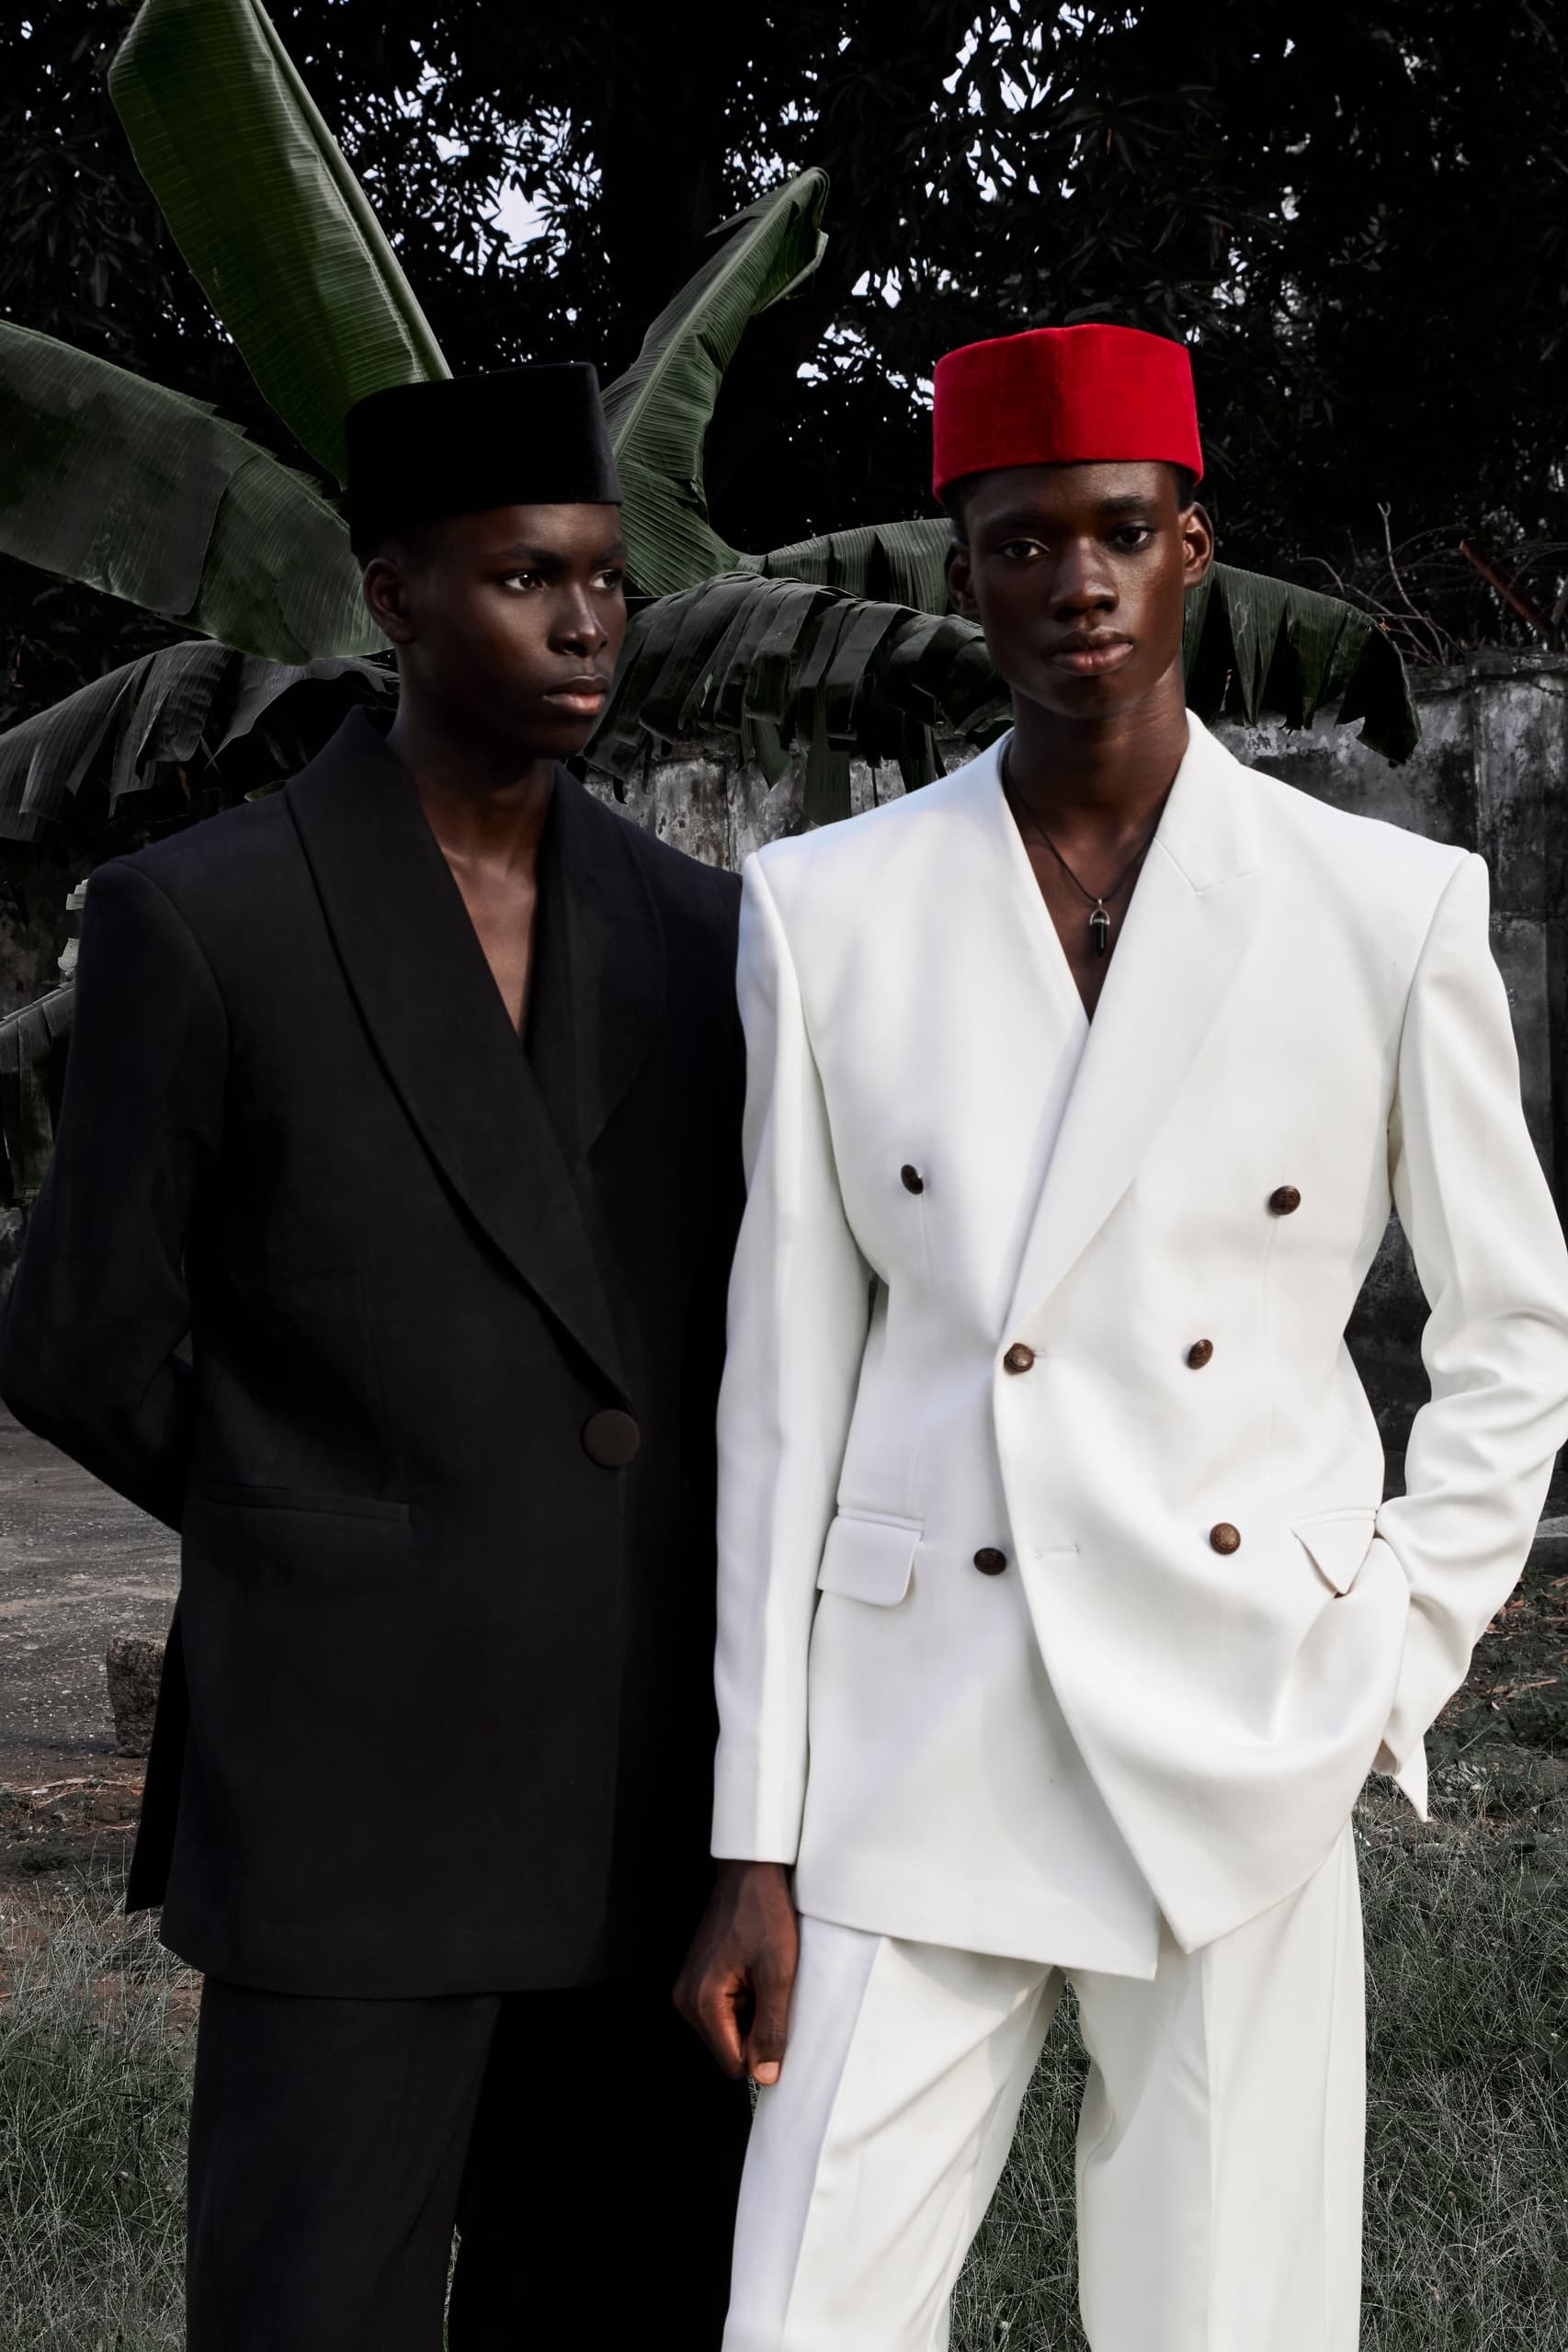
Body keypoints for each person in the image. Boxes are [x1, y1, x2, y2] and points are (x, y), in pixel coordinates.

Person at [676, 323, 1568, 2351]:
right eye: (1019, 539)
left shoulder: (1380, 904)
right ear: (959, 569)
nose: (1072, 578)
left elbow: (1514, 1328)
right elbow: (780, 1390)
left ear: (1191, 551)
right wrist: (755, 1827)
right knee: (802, 2311)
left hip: (1242, 1704)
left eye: (1117, 531)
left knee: (1225, 2317)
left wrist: (1386, 1639)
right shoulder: (825, 909)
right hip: (918, 1726)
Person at [0, 364, 750, 2350]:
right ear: (392, 594)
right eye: (525, 578)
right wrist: (330, 1515)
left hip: (641, 1788)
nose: (585, 620)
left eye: (605, 578)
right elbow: (77, 1334)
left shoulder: (707, 935)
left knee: (618, 2301)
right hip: (350, 1779)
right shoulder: (207, 913)